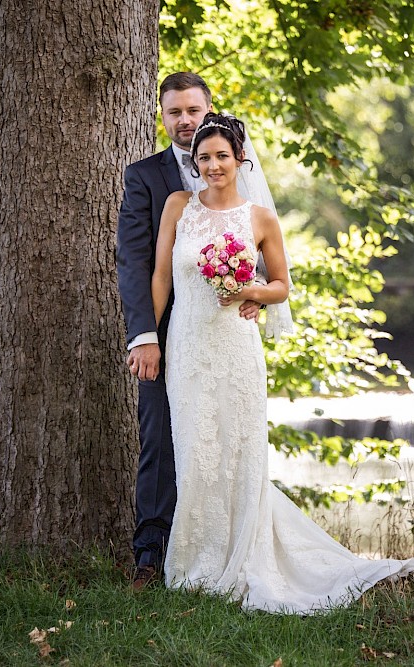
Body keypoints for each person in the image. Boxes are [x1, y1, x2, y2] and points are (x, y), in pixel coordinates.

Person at [149, 113, 414, 614]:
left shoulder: (259, 218)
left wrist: (250, 290)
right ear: (195, 162)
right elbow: (161, 278)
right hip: (188, 347)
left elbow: (281, 285)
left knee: (238, 455)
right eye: (204, 157)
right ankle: (196, 565)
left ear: (240, 160)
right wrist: (151, 335)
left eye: (222, 157)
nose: (213, 165)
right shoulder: (177, 207)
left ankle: (241, 560)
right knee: (194, 456)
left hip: (236, 348)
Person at [117, 72, 268, 590]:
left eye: (193, 111)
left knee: (227, 441)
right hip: (171, 334)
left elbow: (263, 259)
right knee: (161, 439)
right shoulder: (146, 177)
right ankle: (151, 556)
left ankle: (228, 548)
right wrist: (144, 337)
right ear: (162, 116)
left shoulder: (243, 177)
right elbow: (137, 265)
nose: (184, 120)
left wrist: (252, 295)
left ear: (209, 111)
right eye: (174, 112)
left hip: (227, 332)